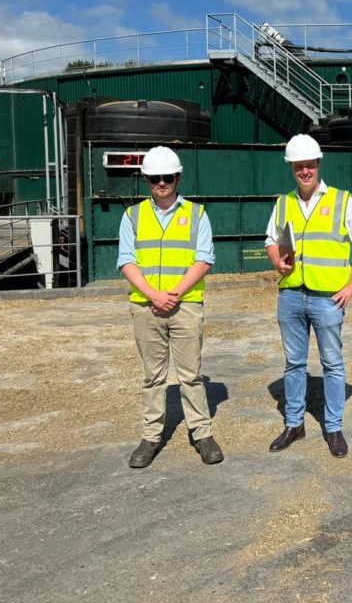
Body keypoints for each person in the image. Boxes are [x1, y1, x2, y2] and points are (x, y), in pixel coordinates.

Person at [265, 134, 352, 458]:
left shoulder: (342, 200)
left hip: (327, 299)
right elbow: (271, 240)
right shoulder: (283, 203)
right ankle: (294, 424)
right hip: (290, 296)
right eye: (299, 166)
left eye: (310, 164)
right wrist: (275, 259)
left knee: (332, 363)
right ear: (291, 167)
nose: (305, 171)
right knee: (294, 363)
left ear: (318, 164)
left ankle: (333, 427)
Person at [117, 145, 223, 468]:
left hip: (185, 305)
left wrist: (173, 293)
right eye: (154, 178)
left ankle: (201, 433)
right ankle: (151, 437)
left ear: (177, 178)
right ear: (147, 180)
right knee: (152, 377)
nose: (161, 183)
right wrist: (152, 294)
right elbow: (126, 260)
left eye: (167, 177)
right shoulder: (132, 216)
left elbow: (204, 259)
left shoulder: (196, 214)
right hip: (146, 308)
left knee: (191, 375)